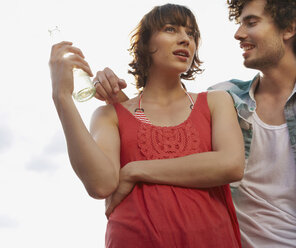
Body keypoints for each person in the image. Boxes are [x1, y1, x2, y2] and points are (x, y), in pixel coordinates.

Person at [96, 0, 296, 247]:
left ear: (289, 28)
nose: (238, 34)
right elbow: (159, 119)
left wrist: (134, 170)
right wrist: (114, 93)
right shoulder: (227, 97)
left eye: (251, 23)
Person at [49, 3, 244, 248]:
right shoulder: (110, 115)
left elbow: (231, 164)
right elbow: (101, 184)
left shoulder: (216, 102)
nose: (185, 39)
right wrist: (62, 97)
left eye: (191, 33)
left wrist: (134, 170)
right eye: (171, 29)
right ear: (145, 44)